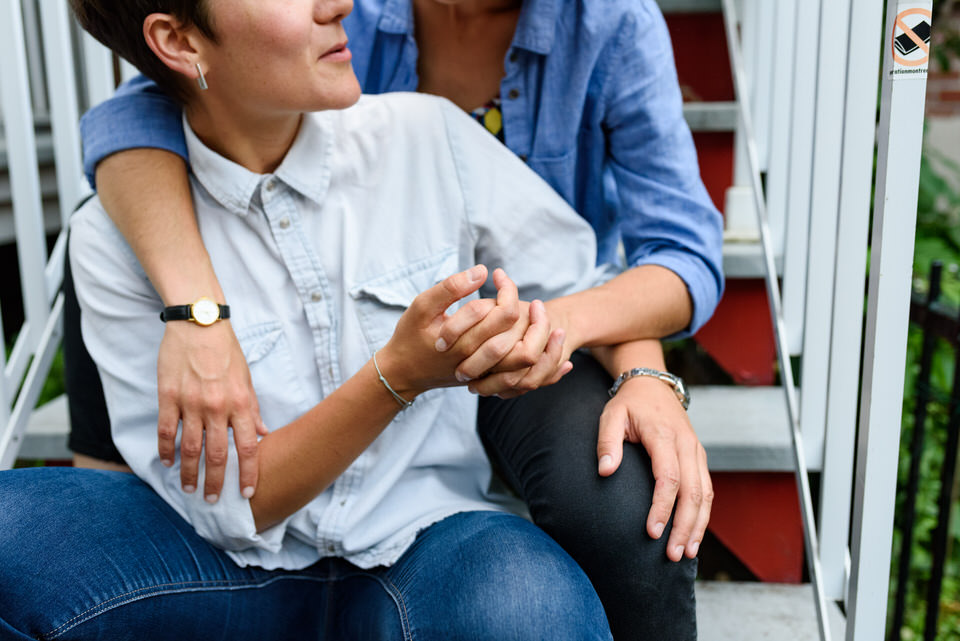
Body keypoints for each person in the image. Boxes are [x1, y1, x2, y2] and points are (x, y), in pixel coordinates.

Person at [0, 0, 659, 637]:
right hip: (215, 567)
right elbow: (235, 505)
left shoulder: (426, 136)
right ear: (180, 42)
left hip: (425, 538)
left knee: (533, 609)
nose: (341, 4)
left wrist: (644, 378)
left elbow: (582, 283)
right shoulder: (110, 237)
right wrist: (397, 375)